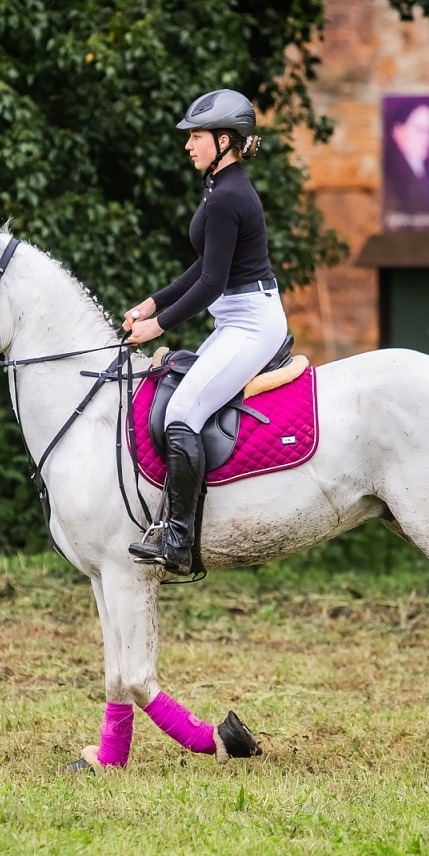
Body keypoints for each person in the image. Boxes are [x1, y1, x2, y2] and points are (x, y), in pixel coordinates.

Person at [121, 90, 289, 574]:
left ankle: (178, 540)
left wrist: (158, 326)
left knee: (181, 412)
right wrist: (153, 301)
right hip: (237, 317)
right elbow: (205, 266)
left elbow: (212, 282)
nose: (188, 145)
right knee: (183, 401)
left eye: (196, 136)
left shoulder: (228, 194)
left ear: (225, 140)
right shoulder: (220, 185)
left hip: (251, 322)